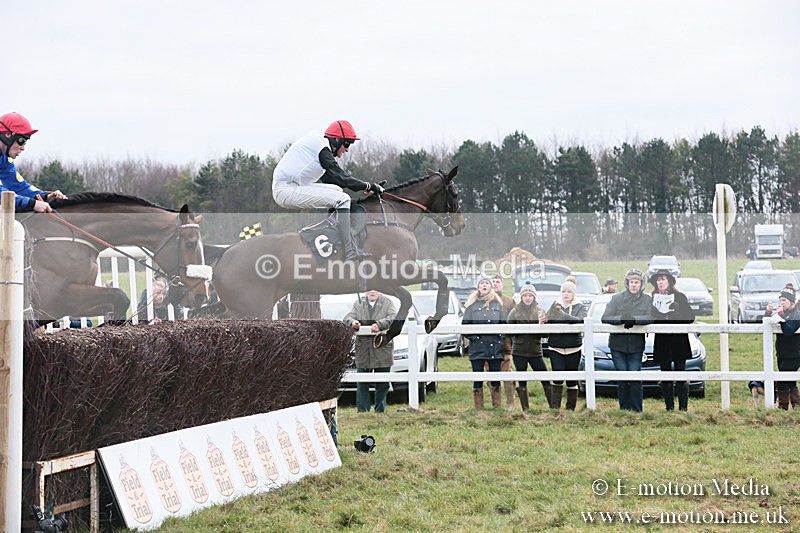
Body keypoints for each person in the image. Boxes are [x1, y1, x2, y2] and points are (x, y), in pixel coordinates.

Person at [271, 120, 384, 261]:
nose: (347, 149)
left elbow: (335, 180)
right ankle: (349, 251)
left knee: (338, 191)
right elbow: (341, 177)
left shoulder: (321, 146)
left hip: (293, 186)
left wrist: (364, 188)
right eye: (347, 144)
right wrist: (368, 186)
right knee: (343, 199)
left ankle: (334, 232)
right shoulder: (322, 149)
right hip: (285, 190)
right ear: (336, 140)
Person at [601, 268, 653, 412]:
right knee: (623, 378)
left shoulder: (647, 300)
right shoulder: (616, 298)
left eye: (636, 282)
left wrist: (635, 320)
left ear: (641, 284)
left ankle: (637, 410)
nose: (634, 285)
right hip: (617, 345)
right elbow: (605, 317)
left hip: (636, 346)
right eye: (631, 282)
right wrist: (621, 319)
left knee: (635, 378)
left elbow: (651, 316)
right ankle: (624, 410)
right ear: (627, 283)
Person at [0, 112, 67, 212]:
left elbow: (19, 187)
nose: (23, 148)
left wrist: (45, 196)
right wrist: (32, 203)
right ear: (7, 135)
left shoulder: (4, 159)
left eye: (25, 142)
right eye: (21, 141)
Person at [648, 270, 695, 411]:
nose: (660, 282)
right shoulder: (652, 298)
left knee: (680, 372)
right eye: (658, 280)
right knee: (665, 374)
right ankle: (669, 407)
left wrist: (678, 311)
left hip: (679, 340)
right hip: (662, 340)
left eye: (663, 279)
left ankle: (683, 408)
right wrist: (655, 314)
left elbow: (690, 318)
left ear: (669, 281)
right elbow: (650, 319)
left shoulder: (680, 297)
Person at [343, 290, 397, 413]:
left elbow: (393, 318)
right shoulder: (358, 303)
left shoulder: (388, 302)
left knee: (382, 383)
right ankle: (362, 411)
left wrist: (379, 325)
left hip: (382, 348)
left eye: (375, 288)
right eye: (370, 289)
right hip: (363, 349)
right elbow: (348, 317)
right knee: (362, 382)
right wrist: (353, 323)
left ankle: (380, 410)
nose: (372, 291)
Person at [542, 280, 587, 410]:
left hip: (574, 348)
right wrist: (544, 321)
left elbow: (580, 320)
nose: (566, 294)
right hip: (556, 347)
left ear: (574, 293)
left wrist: (563, 315)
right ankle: (555, 408)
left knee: (572, 380)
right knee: (557, 377)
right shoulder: (555, 305)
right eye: (563, 291)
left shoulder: (580, 307)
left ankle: (570, 409)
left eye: (569, 292)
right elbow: (548, 320)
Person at [463, 277, 506, 408]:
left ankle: (497, 407)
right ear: (478, 287)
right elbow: (464, 327)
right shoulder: (471, 306)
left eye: (487, 283)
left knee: (495, 379)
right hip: (478, 348)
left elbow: (504, 325)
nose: (484, 285)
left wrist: (500, 338)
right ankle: (479, 408)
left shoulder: (498, 305)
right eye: (482, 283)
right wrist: (475, 338)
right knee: (477, 378)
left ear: (491, 287)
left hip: (495, 348)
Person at [506, 283, 547, 410]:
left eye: (530, 295)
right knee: (522, 379)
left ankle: (553, 407)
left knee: (545, 377)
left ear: (534, 297)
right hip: (519, 351)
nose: (528, 298)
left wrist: (541, 326)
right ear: (521, 297)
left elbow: (546, 334)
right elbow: (508, 331)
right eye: (525, 295)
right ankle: (525, 409)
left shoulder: (540, 311)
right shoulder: (515, 311)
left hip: (535, 351)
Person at [765, 284, 800, 410]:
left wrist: (781, 316)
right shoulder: (782, 314)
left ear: (792, 302)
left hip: (794, 354)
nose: (781, 303)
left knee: (783, 381)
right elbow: (767, 326)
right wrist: (768, 313)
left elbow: (788, 331)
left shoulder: (797, 315)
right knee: (789, 381)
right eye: (780, 300)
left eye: (784, 300)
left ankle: (783, 407)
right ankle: (795, 407)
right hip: (782, 352)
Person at [491, 273, 517, 409]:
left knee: (507, 373)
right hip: (488, 345)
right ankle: (496, 405)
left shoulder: (509, 301)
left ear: (502, 284)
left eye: (497, 281)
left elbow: (516, 318)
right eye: (493, 281)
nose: (495, 283)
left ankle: (510, 403)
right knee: (490, 374)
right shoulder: (483, 300)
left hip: (505, 344)